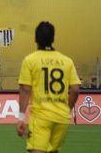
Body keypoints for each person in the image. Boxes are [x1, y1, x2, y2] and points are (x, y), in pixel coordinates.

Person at [17, 22, 80, 153]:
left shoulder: (30, 60)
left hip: (41, 117)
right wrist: (66, 110)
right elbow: (75, 90)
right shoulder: (67, 61)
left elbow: (26, 90)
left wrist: (21, 118)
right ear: (53, 39)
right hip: (62, 118)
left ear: (35, 39)